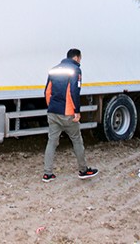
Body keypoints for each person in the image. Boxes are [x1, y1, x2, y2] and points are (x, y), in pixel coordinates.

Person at [42, 48, 98, 182]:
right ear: (77, 58)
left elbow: (47, 91)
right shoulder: (75, 70)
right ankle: (83, 170)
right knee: (77, 140)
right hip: (67, 113)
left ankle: (47, 174)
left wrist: (51, 107)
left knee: (51, 142)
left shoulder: (54, 69)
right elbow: (74, 92)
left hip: (53, 112)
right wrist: (76, 111)